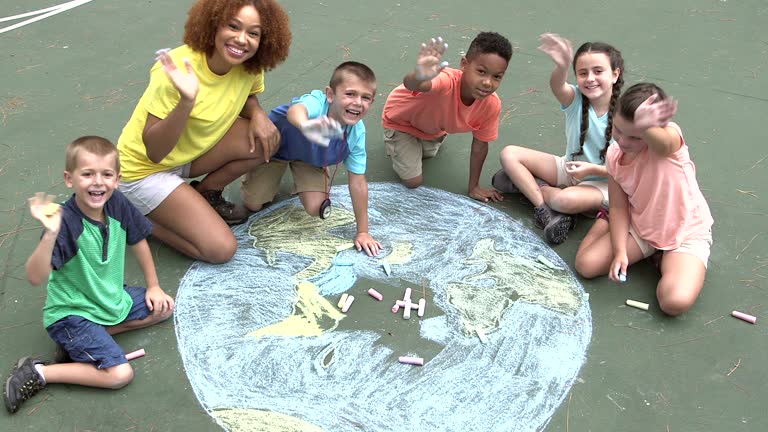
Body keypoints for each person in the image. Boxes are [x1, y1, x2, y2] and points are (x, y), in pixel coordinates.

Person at [3, 136, 175, 414]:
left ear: (117, 179)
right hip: (73, 313)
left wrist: (154, 286)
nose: (98, 182)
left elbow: (139, 240)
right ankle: (39, 372)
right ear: (69, 179)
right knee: (120, 375)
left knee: (164, 307)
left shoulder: (117, 203)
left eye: (106, 174)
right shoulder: (66, 222)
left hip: (109, 300)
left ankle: (80, 344)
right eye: (87, 174)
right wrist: (50, 235)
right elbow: (35, 276)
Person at [116, 0, 291, 263]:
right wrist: (187, 101)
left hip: (188, 153)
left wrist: (258, 115)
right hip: (143, 170)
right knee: (221, 249)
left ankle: (205, 193)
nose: (242, 39)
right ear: (214, 24)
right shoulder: (178, 69)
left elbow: (246, 96)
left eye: (253, 33)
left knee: (268, 139)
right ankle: (132, 215)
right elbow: (154, 152)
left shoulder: (248, 65)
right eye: (233, 26)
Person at [574, 83, 714, 316]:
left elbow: (665, 141)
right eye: (618, 129)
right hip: (643, 227)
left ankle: (668, 258)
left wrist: (647, 125)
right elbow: (619, 206)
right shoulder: (615, 155)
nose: (623, 141)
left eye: (636, 137)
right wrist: (620, 251)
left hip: (686, 231)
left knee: (673, 302)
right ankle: (603, 219)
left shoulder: (668, 143)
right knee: (585, 265)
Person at [493, 34, 624, 244]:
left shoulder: (627, 116)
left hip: (604, 183)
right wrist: (562, 66)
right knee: (509, 154)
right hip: (568, 168)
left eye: (598, 71)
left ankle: (530, 186)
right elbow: (557, 86)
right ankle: (544, 209)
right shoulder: (576, 100)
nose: (590, 78)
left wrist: (591, 170)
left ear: (615, 74)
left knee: (565, 200)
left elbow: (631, 171)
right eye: (582, 73)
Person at [241, 62, 382, 256]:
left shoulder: (356, 133)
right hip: (275, 150)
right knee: (253, 204)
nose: (358, 102)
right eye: (350, 94)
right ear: (330, 95)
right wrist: (307, 126)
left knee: (317, 209)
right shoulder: (317, 102)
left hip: (309, 160)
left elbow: (358, 182)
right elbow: (295, 111)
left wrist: (363, 231)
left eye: (366, 98)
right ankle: (263, 172)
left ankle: (306, 174)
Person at [382, 32, 513, 202]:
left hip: (431, 128)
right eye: (481, 72)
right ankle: (391, 140)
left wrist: (474, 187)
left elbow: (480, 144)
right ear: (464, 64)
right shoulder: (446, 81)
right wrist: (419, 75)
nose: (488, 82)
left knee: (428, 154)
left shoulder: (491, 104)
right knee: (412, 181)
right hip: (400, 122)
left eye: (497, 77)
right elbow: (414, 84)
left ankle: (420, 141)